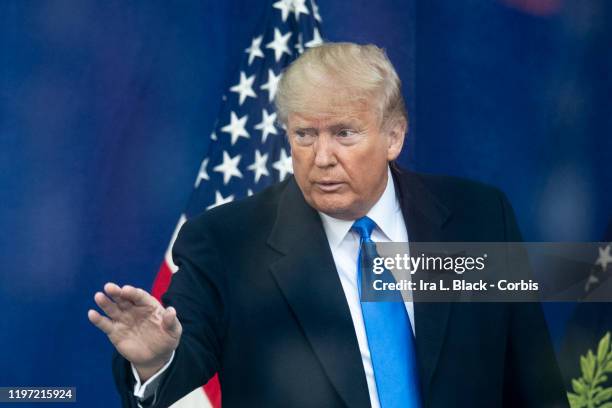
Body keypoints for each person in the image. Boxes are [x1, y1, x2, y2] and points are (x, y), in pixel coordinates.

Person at [88, 43, 569, 408]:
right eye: (304, 135)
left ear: (394, 136)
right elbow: (180, 359)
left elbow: (531, 379)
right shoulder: (228, 242)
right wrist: (154, 359)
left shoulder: (477, 217)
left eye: (344, 133)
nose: (322, 158)